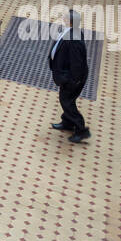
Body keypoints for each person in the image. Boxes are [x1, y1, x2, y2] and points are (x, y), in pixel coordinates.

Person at [48, 8, 90, 144]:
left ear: (71, 22)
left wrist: (72, 80)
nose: (63, 19)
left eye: (66, 18)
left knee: (67, 101)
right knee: (65, 99)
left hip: (73, 78)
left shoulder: (74, 39)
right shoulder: (71, 31)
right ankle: (67, 122)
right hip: (67, 76)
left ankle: (81, 130)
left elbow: (77, 64)